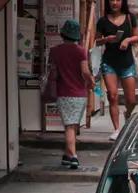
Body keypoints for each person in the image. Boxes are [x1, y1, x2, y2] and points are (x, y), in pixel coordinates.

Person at [49, 19, 95, 169]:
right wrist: (91, 81)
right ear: (76, 35)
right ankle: (74, 156)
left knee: (69, 125)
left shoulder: (54, 51)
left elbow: (53, 72)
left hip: (63, 93)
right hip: (79, 93)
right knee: (72, 126)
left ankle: (67, 155)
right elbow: (85, 72)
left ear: (63, 34)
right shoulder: (80, 51)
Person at [96, 0, 138, 141]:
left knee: (132, 100)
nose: (114, 3)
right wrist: (107, 39)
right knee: (112, 96)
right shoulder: (102, 21)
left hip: (127, 63)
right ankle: (116, 129)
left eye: (118, 0)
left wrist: (127, 40)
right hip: (109, 63)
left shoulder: (129, 17)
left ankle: (127, 113)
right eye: (112, 0)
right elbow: (97, 40)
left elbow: (137, 36)